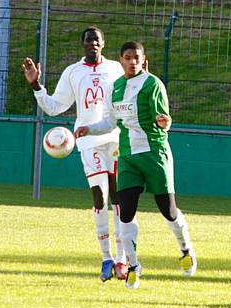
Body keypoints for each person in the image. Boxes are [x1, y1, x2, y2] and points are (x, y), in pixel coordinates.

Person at [75, 41, 196, 290]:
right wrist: (89, 128)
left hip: (154, 153)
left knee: (168, 211)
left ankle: (186, 250)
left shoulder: (153, 84)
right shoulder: (115, 87)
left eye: (136, 57)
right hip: (128, 157)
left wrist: (165, 122)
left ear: (143, 60)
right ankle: (133, 266)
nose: (132, 62)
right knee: (125, 212)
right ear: (120, 60)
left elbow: (165, 119)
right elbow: (110, 122)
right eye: (128, 57)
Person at [22, 26, 128, 282]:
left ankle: (123, 260)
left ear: (104, 43)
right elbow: (55, 107)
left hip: (115, 139)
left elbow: (130, 97)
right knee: (99, 196)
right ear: (83, 44)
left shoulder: (115, 69)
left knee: (119, 198)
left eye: (97, 40)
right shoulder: (73, 72)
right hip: (88, 142)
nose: (93, 43)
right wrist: (36, 84)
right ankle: (106, 258)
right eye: (88, 40)